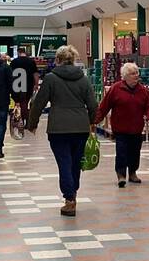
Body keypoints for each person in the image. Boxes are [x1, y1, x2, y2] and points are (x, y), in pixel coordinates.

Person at [27, 45, 97, 217]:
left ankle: (69, 199)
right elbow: (93, 104)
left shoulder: (51, 78)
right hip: (80, 128)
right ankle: (73, 193)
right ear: (73, 60)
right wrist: (92, 122)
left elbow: (39, 103)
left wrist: (32, 123)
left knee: (64, 163)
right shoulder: (83, 79)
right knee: (75, 163)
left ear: (57, 60)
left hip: (58, 128)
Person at [96, 62, 149, 188]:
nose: (136, 76)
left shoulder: (143, 90)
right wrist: (95, 120)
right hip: (121, 128)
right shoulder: (116, 89)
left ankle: (133, 173)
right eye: (132, 74)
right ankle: (121, 175)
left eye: (137, 73)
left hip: (136, 128)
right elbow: (104, 106)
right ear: (125, 76)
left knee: (135, 152)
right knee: (121, 152)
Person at [10, 46, 40, 124]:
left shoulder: (14, 62)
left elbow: (11, 74)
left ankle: (21, 119)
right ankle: (26, 120)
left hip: (17, 85)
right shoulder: (31, 61)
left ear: (18, 52)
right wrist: (36, 85)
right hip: (28, 85)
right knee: (25, 103)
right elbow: (36, 74)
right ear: (25, 52)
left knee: (19, 103)